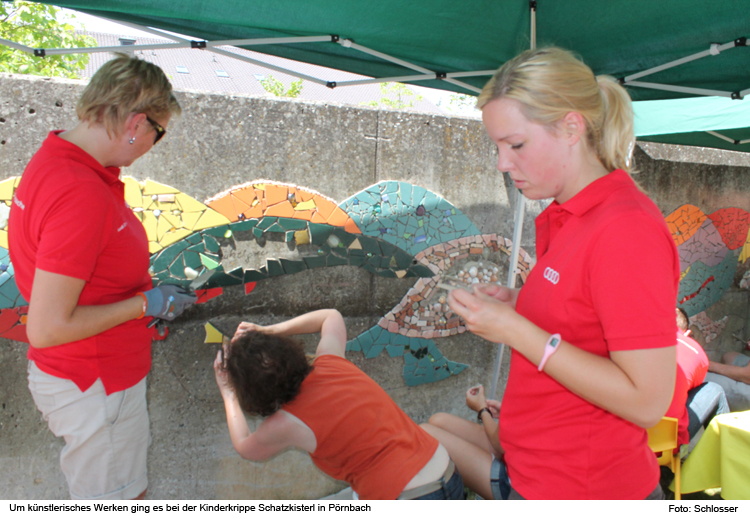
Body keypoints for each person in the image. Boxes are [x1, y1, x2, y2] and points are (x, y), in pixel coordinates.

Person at [445, 47, 680, 499]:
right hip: (539, 474)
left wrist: (515, 329)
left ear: (572, 127)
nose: (502, 162)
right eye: (496, 146)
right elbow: (586, 321)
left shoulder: (624, 228)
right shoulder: (569, 215)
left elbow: (648, 402)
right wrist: (521, 305)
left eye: (515, 145)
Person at [8, 53, 196, 500]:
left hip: (83, 377)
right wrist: (146, 304)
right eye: (159, 131)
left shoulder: (57, 161)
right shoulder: (80, 191)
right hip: (94, 382)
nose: (155, 142)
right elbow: (48, 326)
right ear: (136, 122)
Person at [213, 309, 464, 500]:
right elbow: (330, 316)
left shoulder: (283, 424)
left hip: (410, 499)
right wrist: (267, 331)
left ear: (252, 393)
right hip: (448, 473)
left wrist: (227, 392)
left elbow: (246, 447)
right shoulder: (330, 360)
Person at [422, 385, 508, 500]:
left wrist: (483, 410)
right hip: (519, 451)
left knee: (426, 434)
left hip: (518, 484)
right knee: (437, 421)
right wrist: (508, 413)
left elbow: (501, 443)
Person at [673, 308, 729, 440]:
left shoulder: (636, 340)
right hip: (666, 441)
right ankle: (727, 455)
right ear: (687, 333)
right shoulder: (696, 351)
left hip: (624, 437)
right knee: (715, 389)